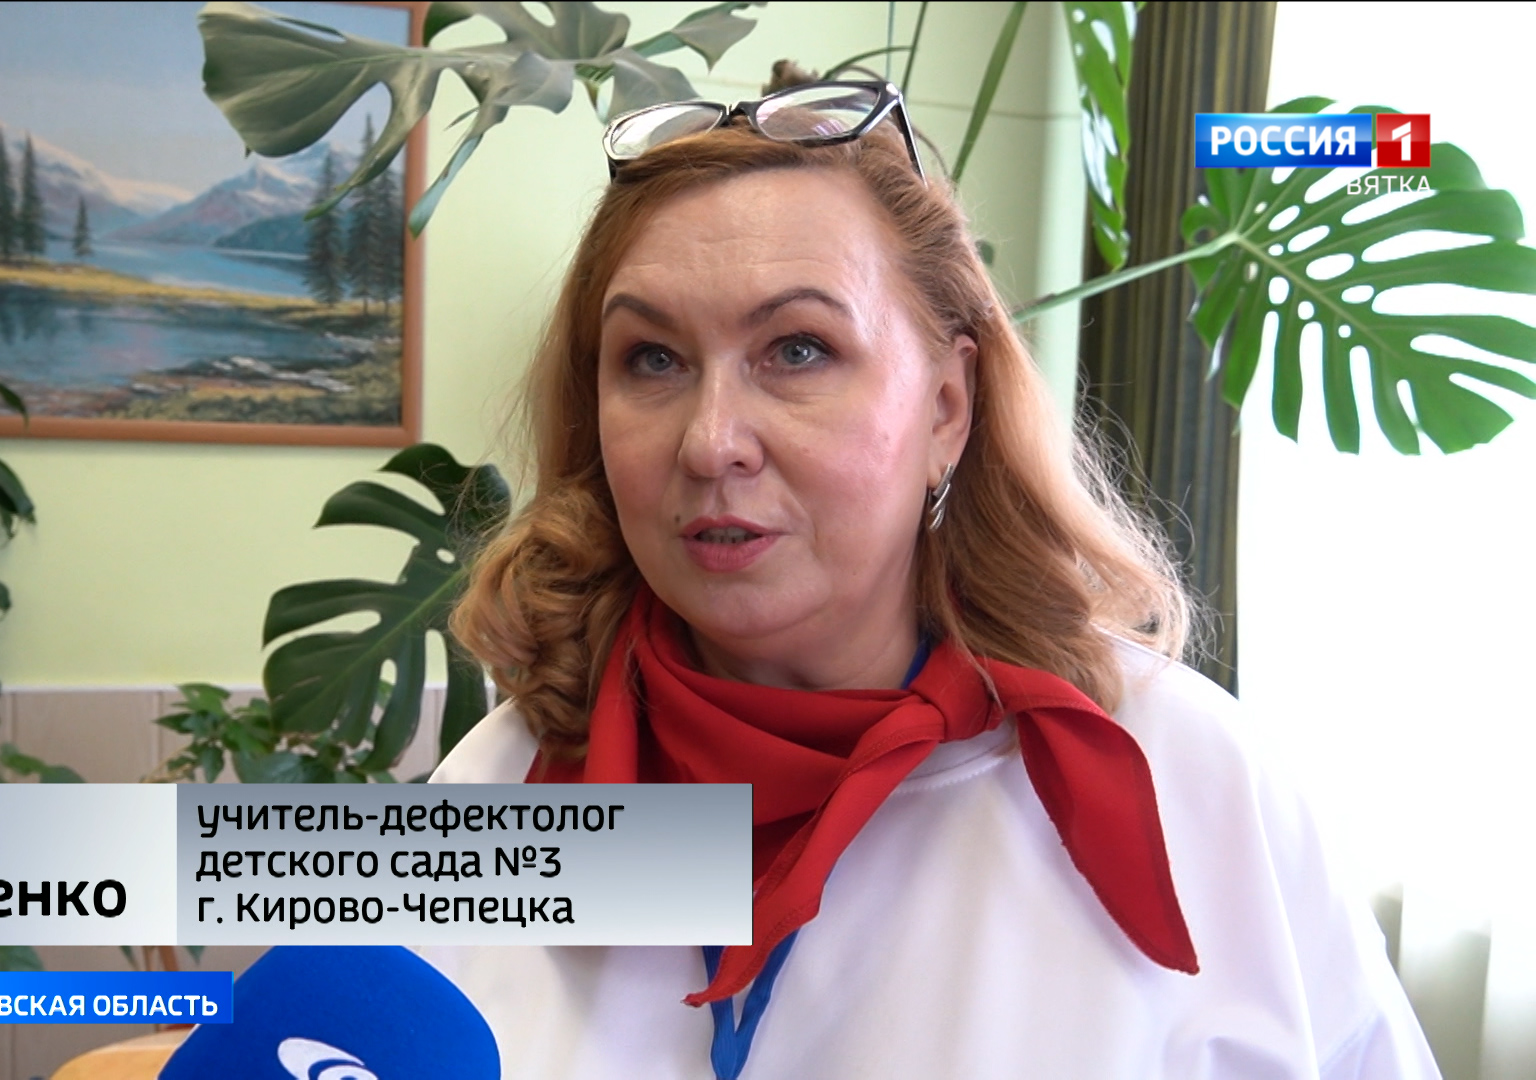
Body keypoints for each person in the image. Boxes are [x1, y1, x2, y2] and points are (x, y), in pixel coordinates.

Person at [423, 80, 1439, 1079]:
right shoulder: (500, 782)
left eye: (798, 349)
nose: (711, 440)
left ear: (947, 407)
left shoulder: (1193, 782)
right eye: (652, 359)